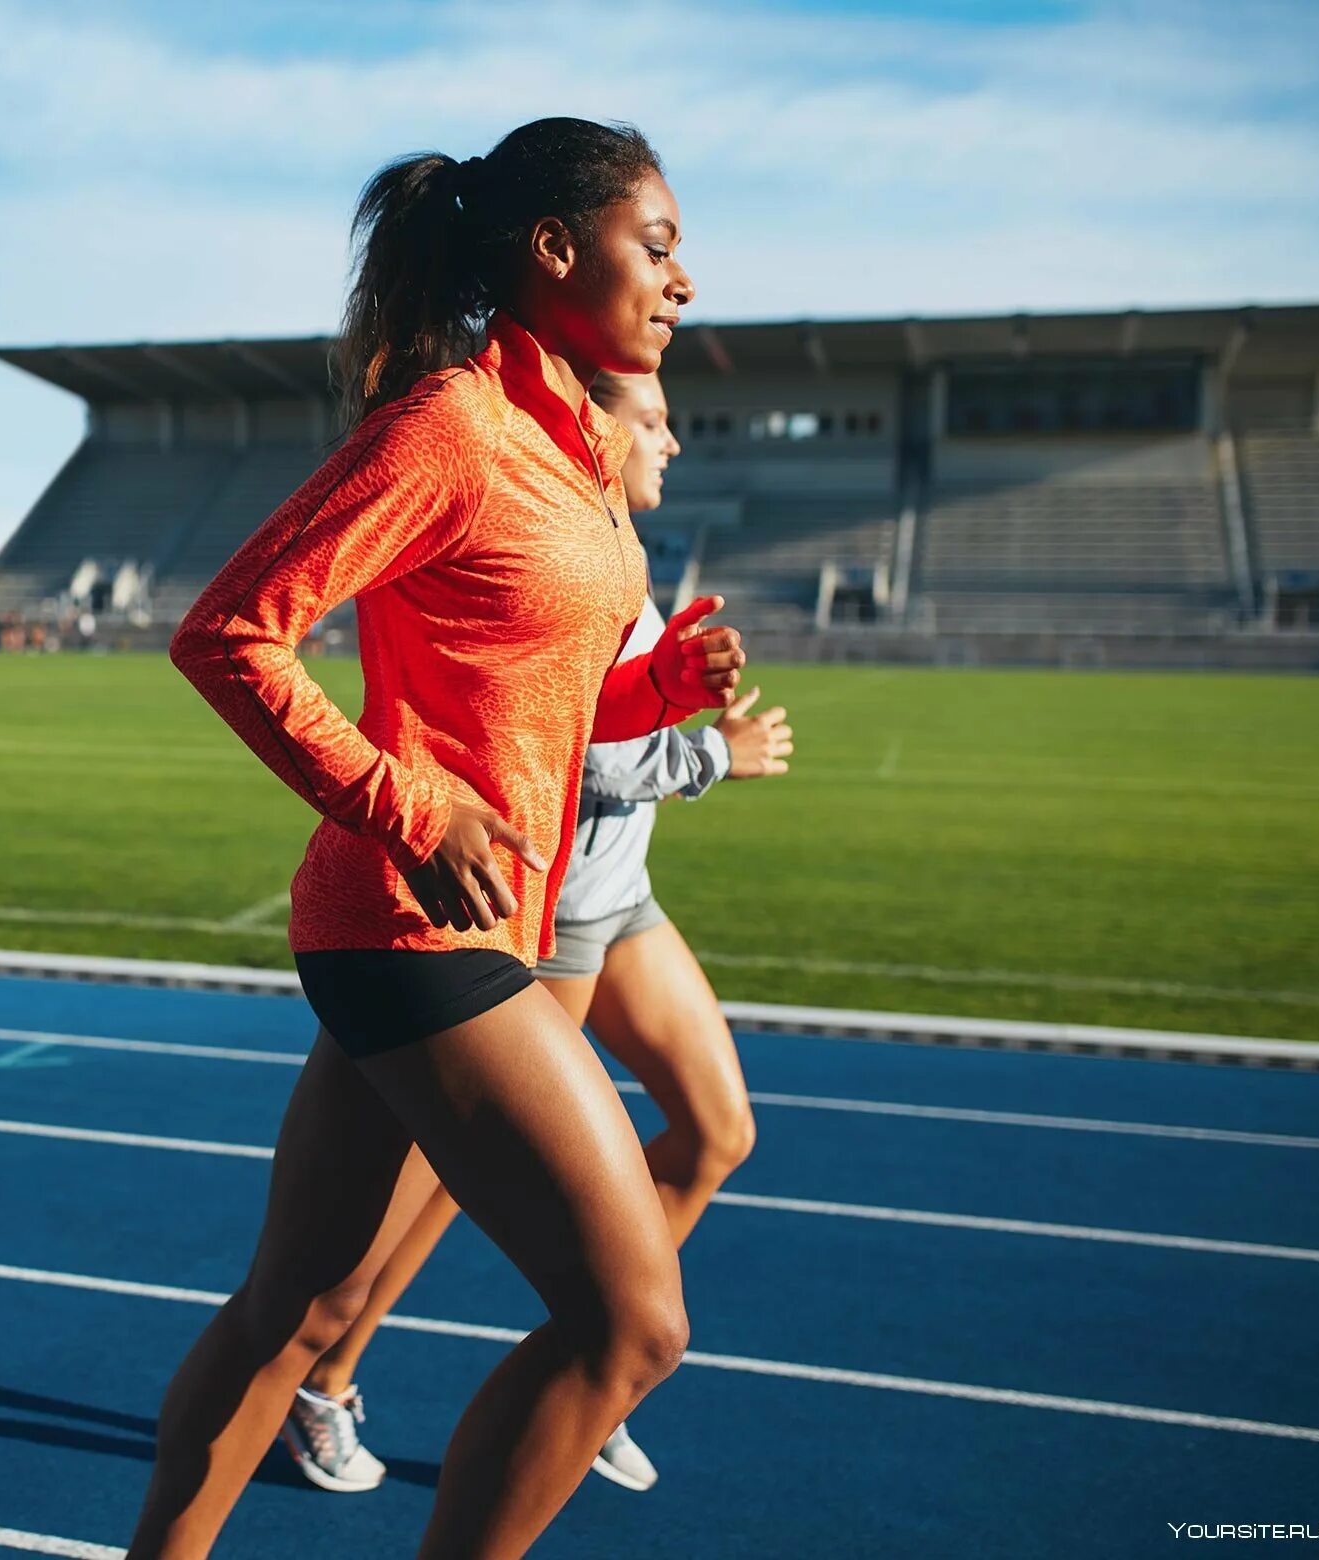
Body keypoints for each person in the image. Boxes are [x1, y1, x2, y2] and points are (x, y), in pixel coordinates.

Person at [133, 117, 745, 1559]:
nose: (683, 281)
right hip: (414, 931)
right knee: (630, 1321)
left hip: (462, 933)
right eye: (656, 246)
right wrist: (410, 804)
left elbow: (533, 696)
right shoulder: (451, 428)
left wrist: (659, 688)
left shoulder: (567, 453)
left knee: (306, 1311)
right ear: (553, 250)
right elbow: (228, 634)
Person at [279, 369, 797, 1499]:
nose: (672, 443)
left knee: (716, 1133)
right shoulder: (540, 525)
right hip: (543, 907)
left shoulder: (627, 561)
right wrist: (716, 755)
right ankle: (331, 1378)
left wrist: (675, 681)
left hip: (626, 896)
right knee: (449, 1189)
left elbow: (614, 716)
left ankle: (595, 1363)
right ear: (594, 426)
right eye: (654, 422)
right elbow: (575, 754)